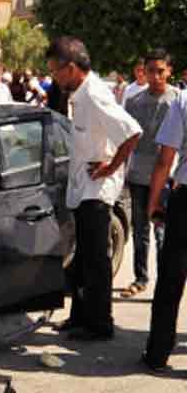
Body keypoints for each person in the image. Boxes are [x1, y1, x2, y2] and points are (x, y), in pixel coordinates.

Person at [49, 36, 141, 341]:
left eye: (56, 71)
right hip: (80, 188)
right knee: (80, 260)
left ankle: (100, 324)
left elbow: (132, 133)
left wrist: (111, 168)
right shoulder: (79, 94)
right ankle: (79, 317)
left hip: (97, 192)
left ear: (72, 68)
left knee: (96, 262)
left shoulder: (96, 95)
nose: (54, 77)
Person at [121, 50, 177, 299]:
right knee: (140, 229)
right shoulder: (134, 102)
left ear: (169, 72)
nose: (156, 76)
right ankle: (140, 278)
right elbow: (127, 140)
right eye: (151, 70)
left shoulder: (178, 102)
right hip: (138, 176)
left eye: (161, 71)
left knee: (162, 230)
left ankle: (167, 280)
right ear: (144, 71)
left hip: (168, 177)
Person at [140, 80, 187, 370]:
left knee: (171, 277)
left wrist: (153, 202)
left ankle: (158, 353)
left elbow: (164, 159)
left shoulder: (183, 101)